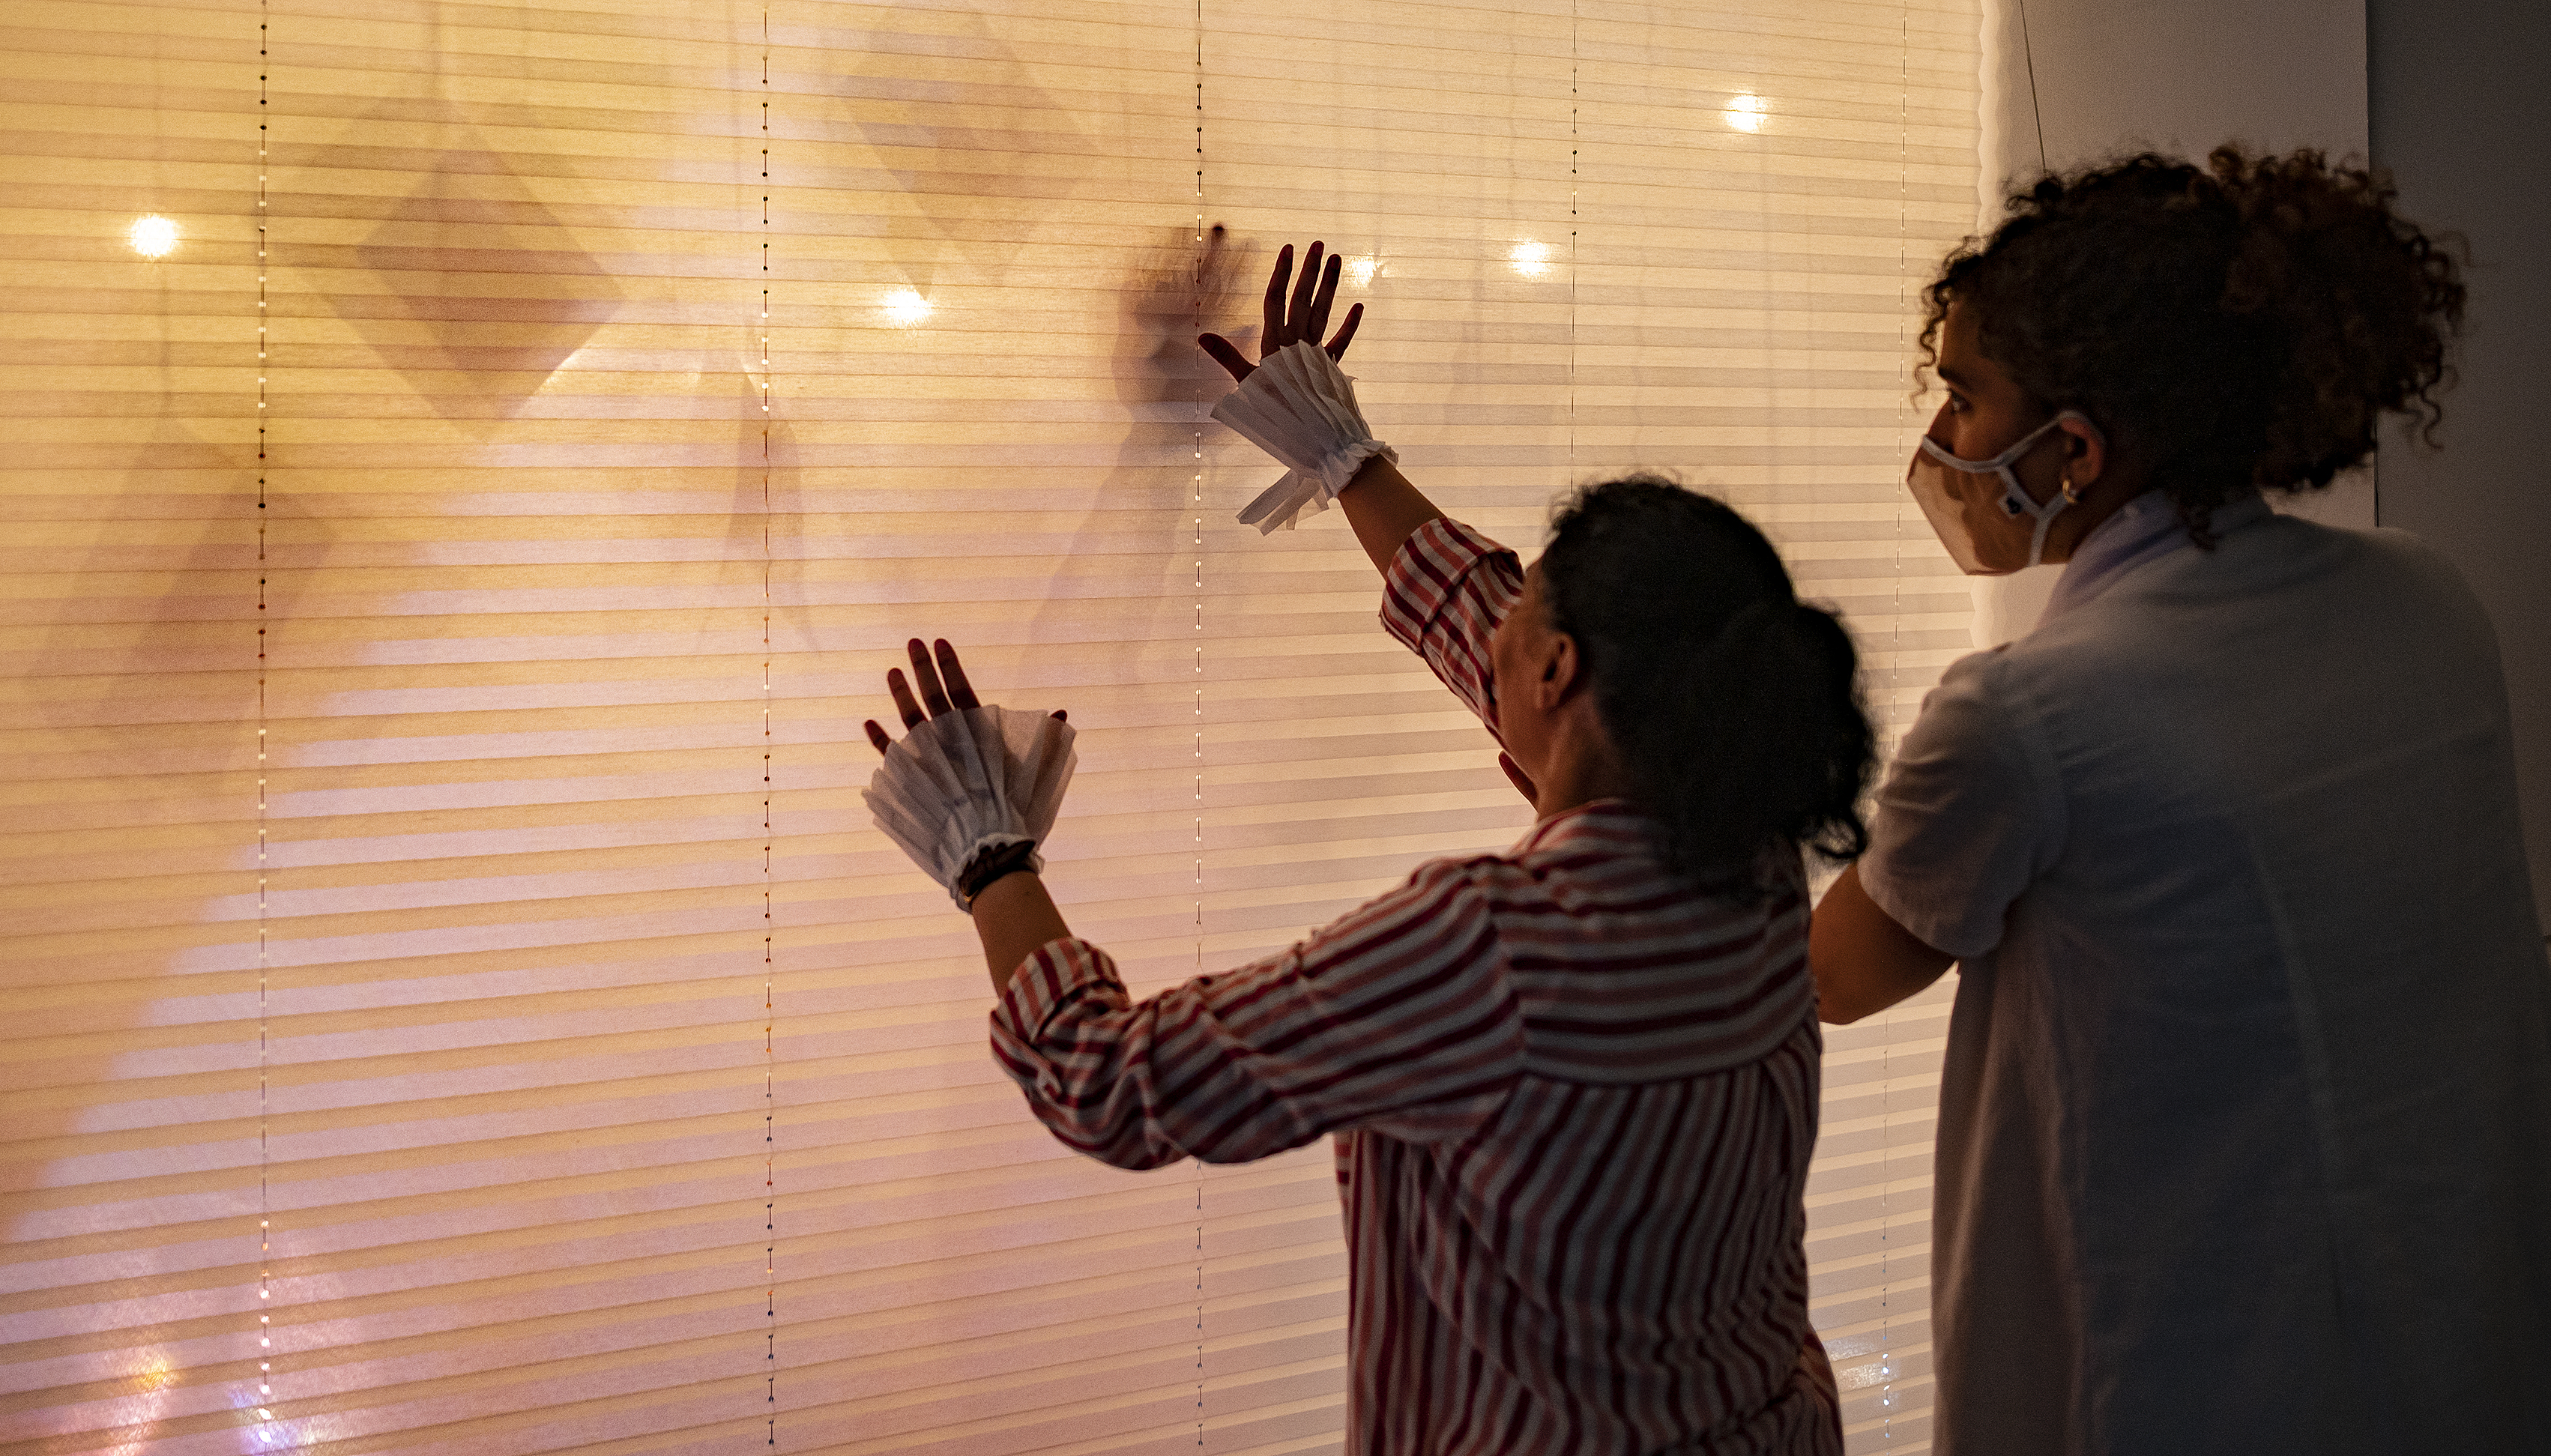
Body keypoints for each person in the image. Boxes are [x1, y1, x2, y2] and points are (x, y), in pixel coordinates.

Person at [862, 244, 1874, 1454]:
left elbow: (1112, 1082)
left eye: (1529, 606)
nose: (1498, 621)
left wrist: (990, 857)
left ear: (1556, 670)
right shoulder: (1750, 860)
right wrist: (1348, 461)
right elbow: (1497, 643)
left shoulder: (1494, 948)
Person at [1808, 148, 2551, 1454]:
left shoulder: (2029, 717)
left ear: (2075, 450)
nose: (1943, 443)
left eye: (1966, 399)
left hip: (2174, 1387)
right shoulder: (2427, 603)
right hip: (2452, 1358)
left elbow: (1830, 973)